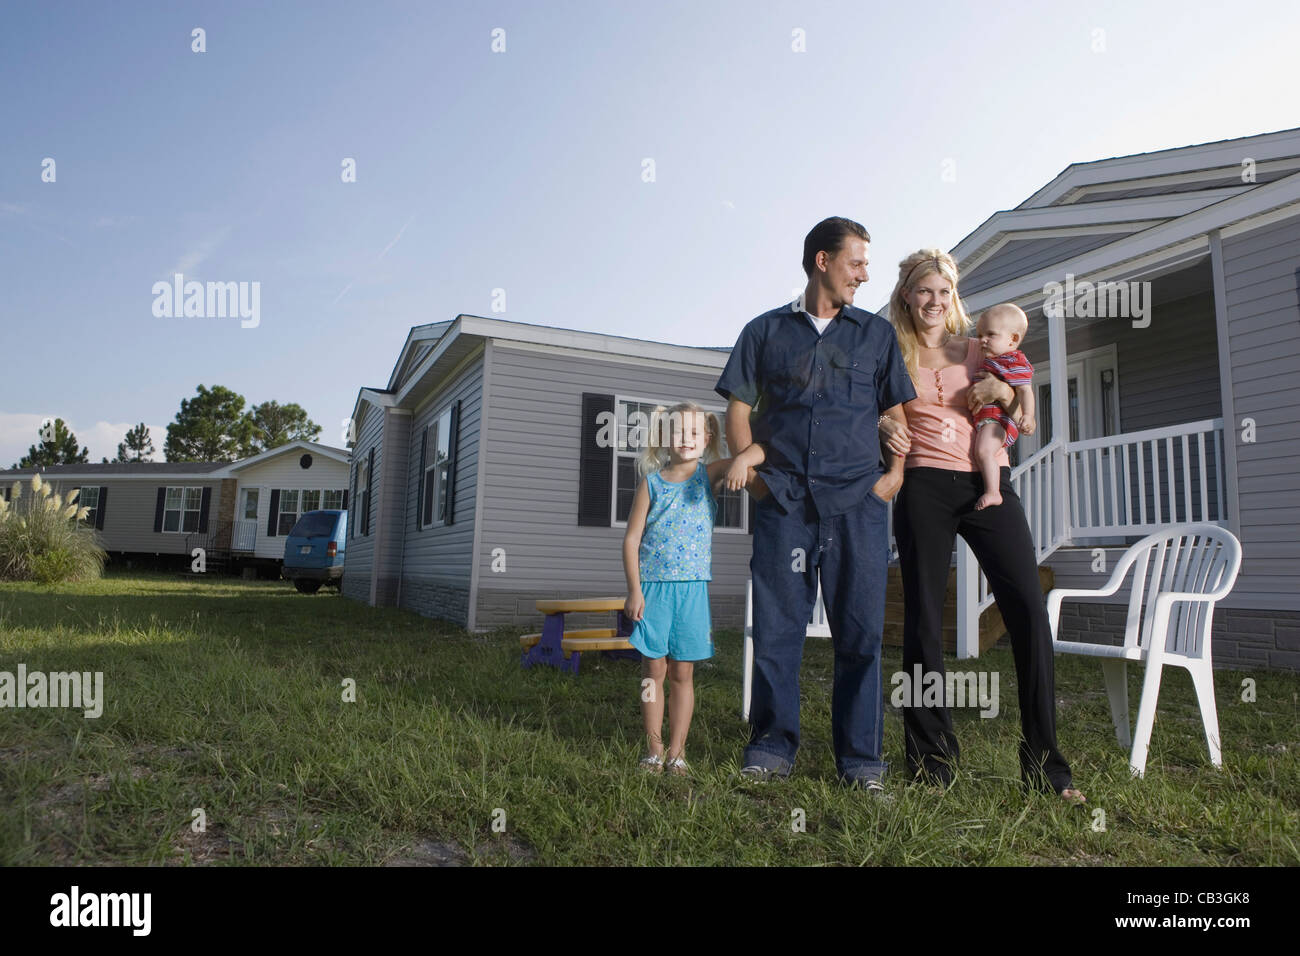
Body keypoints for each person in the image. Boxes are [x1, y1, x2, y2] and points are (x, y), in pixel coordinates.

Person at [715, 216, 915, 791]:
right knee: (777, 630)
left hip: (859, 502)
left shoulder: (874, 336)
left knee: (862, 635)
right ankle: (772, 747)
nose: (864, 274)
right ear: (822, 261)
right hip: (784, 502)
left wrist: (894, 476)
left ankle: (861, 763)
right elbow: (738, 408)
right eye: (856, 262)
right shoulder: (763, 332)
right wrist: (752, 477)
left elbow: (895, 415)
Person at [881, 248, 1085, 803]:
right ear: (907, 294)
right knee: (923, 617)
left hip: (986, 486)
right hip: (923, 486)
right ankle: (931, 765)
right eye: (924, 290)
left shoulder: (981, 348)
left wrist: (1006, 392)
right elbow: (877, 409)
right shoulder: (890, 354)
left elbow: (1027, 404)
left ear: (954, 297)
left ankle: (1047, 767)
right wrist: (884, 421)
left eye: (943, 292)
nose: (934, 301)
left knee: (1026, 608)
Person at [622, 401, 763, 775]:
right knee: (653, 671)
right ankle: (653, 750)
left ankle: (677, 753)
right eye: (678, 432)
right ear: (665, 438)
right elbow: (632, 540)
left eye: (694, 432)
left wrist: (739, 463)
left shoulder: (708, 475)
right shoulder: (650, 484)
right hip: (653, 591)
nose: (686, 439)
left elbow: (757, 451)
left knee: (683, 673)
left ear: (707, 438)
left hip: (692, 592)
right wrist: (634, 590)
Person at [972, 303, 1036, 510]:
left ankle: (993, 492)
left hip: (998, 419)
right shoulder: (995, 359)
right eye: (980, 334)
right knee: (981, 451)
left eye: (991, 334)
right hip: (987, 418)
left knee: (983, 452)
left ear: (1013, 339)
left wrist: (1028, 416)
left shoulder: (1014, 360)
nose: (982, 340)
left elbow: (1026, 390)